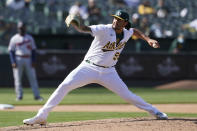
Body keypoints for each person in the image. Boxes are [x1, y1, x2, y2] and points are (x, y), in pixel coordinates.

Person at [23, 10, 168, 125]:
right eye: (114, 18)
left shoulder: (127, 32)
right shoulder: (103, 29)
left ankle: (155, 112)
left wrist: (148, 39)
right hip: (88, 68)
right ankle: (41, 116)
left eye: (119, 19)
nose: (115, 20)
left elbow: (135, 31)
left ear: (125, 23)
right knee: (64, 85)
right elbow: (84, 29)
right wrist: (76, 24)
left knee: (128, 96)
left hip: (109, 72)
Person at [8, 21, 43, 101]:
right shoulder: (14, 38)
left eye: (22, 27)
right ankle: (19, 96)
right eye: (20, 28)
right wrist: (13, 61)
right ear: (18, 28)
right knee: (17, 79)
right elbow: (11, 51)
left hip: (28, 58)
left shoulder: (29, 38)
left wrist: (33, 60)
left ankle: (37, 96)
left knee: (32, 78)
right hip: (18, 58)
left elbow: (34, 50)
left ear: (25, 28)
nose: (21, 29)